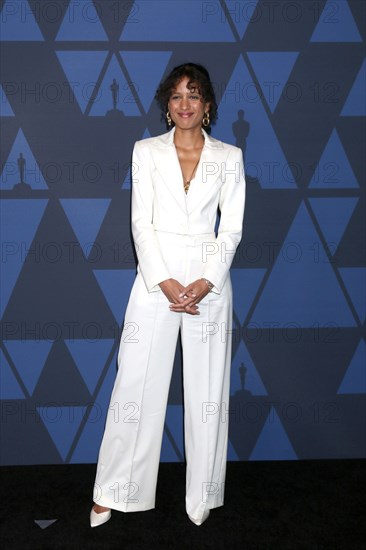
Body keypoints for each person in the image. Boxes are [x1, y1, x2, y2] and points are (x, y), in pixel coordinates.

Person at [90, 62, 246, 528]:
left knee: (209, 394)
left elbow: (232, 228)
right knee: (134, 387)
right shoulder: (146, 152)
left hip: (209, 286)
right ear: (167, 105)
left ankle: (202, 495)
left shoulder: (230, 157)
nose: (185, 104)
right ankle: (115, 491)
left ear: (208, 105)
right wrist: (165, 281)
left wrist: (206, 280)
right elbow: (141, 222)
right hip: (155, 282)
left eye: (194, 95)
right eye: (177, 96)